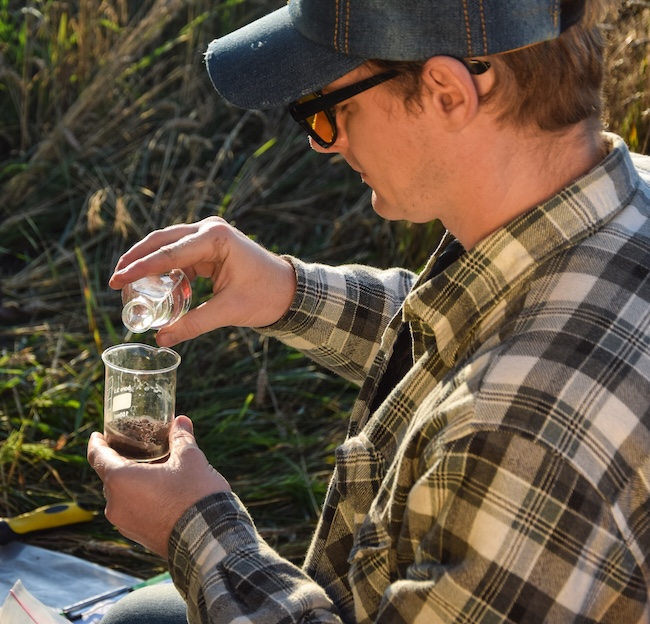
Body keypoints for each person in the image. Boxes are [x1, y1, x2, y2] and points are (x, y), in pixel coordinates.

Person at [88, 0, 650, 621]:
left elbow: (500, 386)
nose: (324, 144)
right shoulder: (616, 204)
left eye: (331, 109)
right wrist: (286, 290)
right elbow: (474, 328)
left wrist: (193, 530)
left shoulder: (522, 435)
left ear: (446, 92)